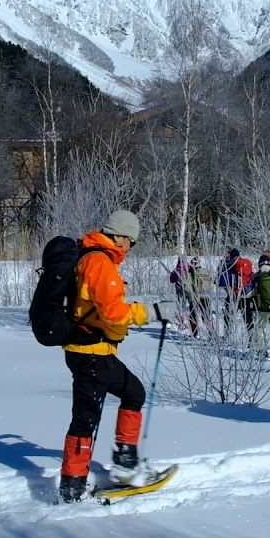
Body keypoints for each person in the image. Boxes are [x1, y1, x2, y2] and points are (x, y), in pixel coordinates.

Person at [58, 210, 177, 503]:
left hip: (96, 352)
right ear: (121, 236)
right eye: (131, 242)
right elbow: (113, 312)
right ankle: (72, 488)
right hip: (90, 353)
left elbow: (103, 306)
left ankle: (125, 463)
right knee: (85, 420)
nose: (130, 248)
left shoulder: (93, 257)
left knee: (133, 393)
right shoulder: (99, 262)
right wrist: (152, 312)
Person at [170, 256, 212, 336]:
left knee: (193, 316)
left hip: (195, 298)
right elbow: (212, 282)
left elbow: (187, 287)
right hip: (206, 297)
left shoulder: (190, 273)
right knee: (206, 316)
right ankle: (211, 333)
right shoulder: (205, 271)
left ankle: (194, 334)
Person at [217, 248, 255, 331]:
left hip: (234, 294)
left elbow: (222, 274)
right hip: (247, 294)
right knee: (248, 317)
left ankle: (227, 333)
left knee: (228, 316)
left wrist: (224, 260)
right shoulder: (247, 262)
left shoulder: (232, 263)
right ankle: (252, 335)